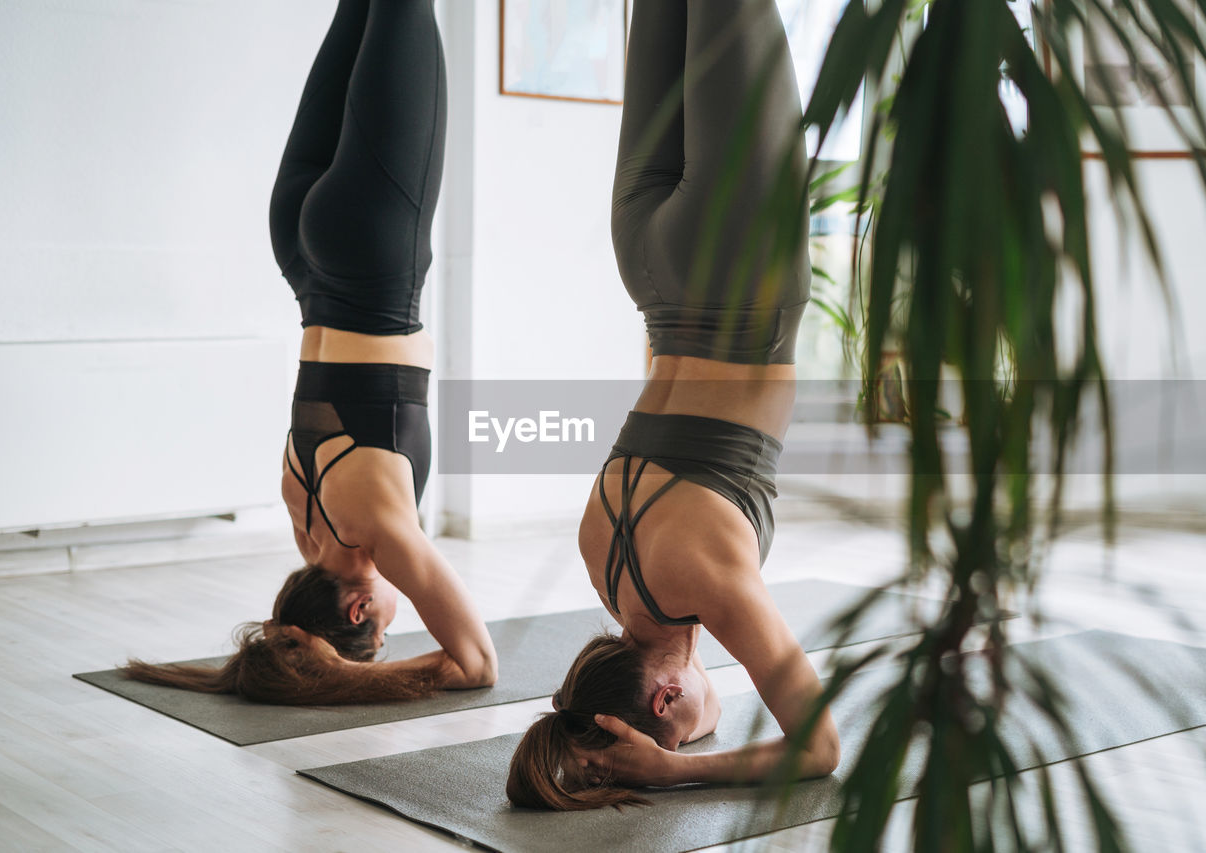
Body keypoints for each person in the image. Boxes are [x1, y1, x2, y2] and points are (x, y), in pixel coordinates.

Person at [506, 0, 840, 810]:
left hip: (738, 259)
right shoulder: (604, 557)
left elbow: (820, 747)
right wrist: (635, 735)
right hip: (650, 266)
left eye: (680, 724)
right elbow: (705, 699)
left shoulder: (709, 581)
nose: (700, 720)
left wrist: (673, 766)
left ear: (661, 699)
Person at [123, 0, 497, 705]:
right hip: (298, 249)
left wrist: (358, 674)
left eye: (384, 629)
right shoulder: (306, 517)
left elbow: (478, 664)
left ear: (358, 610)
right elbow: (294, 634)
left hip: (373, 248)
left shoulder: (376, 531)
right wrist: (305, 653)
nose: (396, 623)